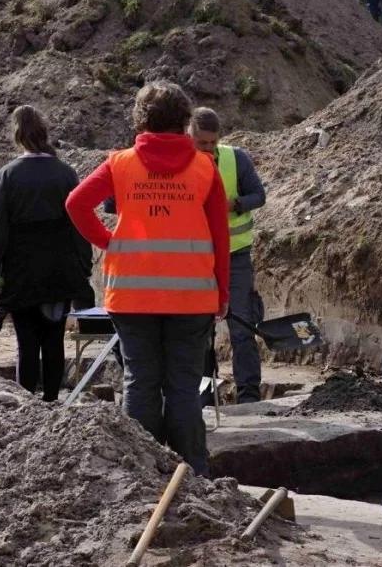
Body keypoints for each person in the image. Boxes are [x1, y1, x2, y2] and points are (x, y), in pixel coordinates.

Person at [66, 81, 230, 476]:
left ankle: (141, 474)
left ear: (141, 119)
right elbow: (220, 236)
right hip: (191, 300)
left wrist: (107, 240)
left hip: (132, 297)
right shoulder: (205, 167)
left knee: (140, 383)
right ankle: (192, 474)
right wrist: (222, 292)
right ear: (184, 122)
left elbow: (76, 204)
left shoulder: (120, 163)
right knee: (183, 389)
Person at [0, 106, 94, 402]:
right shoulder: (66, 173)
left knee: (26, 341)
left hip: (20, 273)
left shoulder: (7, 175)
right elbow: (78, 225)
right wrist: (84, 268)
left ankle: (27, 404)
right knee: (54, 339)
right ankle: (52, 401)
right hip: (59, 271)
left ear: (17, 136)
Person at [188, 107, 267, 404]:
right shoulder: (182, 165)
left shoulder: (236, 159)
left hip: (235, 256)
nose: (207, 149)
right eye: (201, 143)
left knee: (242, 327)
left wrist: (235, 204)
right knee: (200, 332)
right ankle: (206, 397)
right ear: (189, 136)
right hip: (197, 259)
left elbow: (258, 195)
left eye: (211, 142)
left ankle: (249, 396)